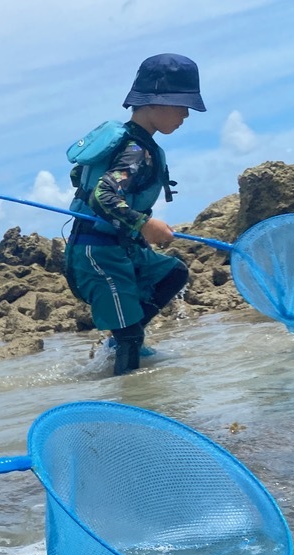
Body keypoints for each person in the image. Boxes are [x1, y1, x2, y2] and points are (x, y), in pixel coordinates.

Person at [62, 54, 206, 375]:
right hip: (98, 252)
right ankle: (128, 398)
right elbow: (103, 193)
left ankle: (121, 340)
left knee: (172, 273)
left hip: (122, 247)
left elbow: (80, 178)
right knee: (131, 335)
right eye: (181, 105)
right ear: (155, 103)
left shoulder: (137, 144)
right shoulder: (135, 151)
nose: (186, 114)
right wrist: (143, 223)